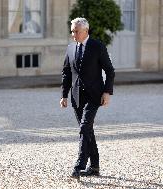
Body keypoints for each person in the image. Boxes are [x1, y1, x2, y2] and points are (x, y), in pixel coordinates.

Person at [60, 18, 115, 180]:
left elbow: (110, 71)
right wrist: (64, 95)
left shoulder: (98, 47)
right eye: (72, 31)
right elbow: (66, 73)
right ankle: (95, 167)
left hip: (94, 95)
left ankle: (79, 166)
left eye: (75, 31)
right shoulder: (70, 48)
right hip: (76, 96)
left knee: (84, 127)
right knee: (88, 130)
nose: (73, 34)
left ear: (85, 31)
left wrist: (107, 92)